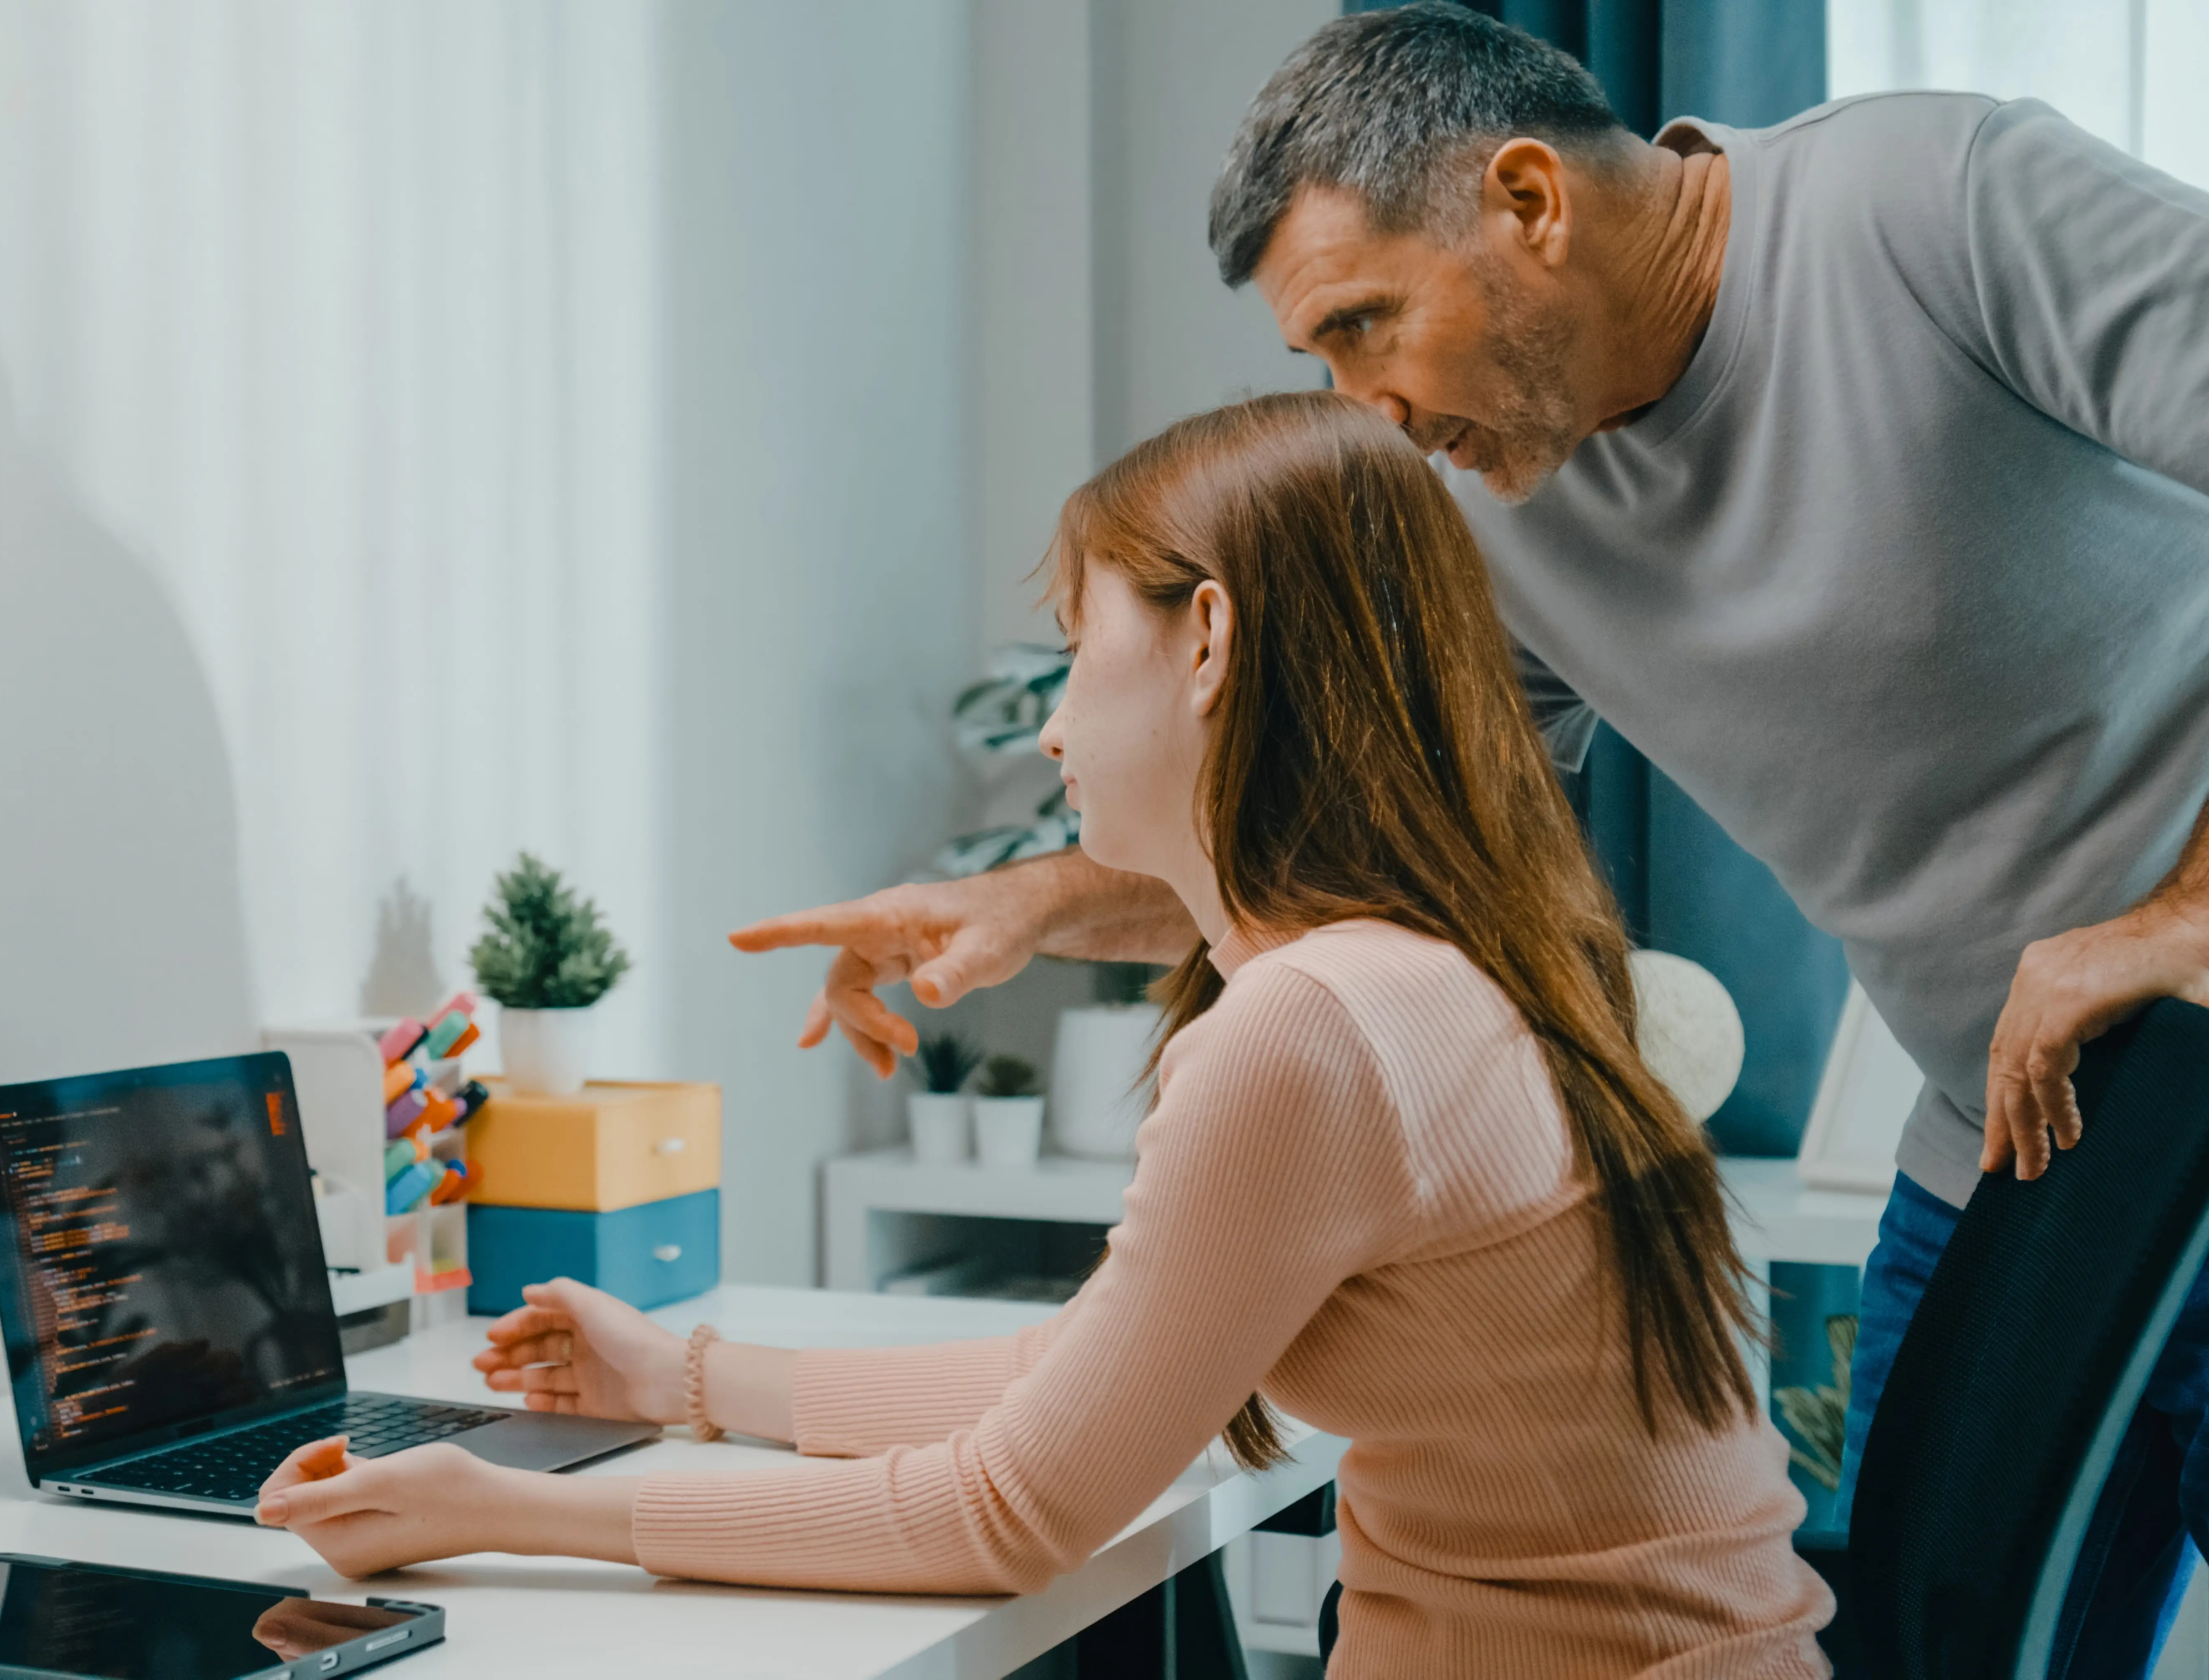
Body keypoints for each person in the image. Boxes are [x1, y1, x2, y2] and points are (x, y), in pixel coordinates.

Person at [737, 9, 2209, 1671]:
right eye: (1326, 360)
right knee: (1943, 1641)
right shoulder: (1509, 513)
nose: (1371, 407)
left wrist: (2180, 915)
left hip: (2188, 1050)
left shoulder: (1936, 205)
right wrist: (1015, 911)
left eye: (1369, 325)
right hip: (2011, 1119)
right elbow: (1349, 843)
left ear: (1529, 198)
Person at [258, 392, 1834, 1678]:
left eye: (1083, 652)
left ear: (1208, 641)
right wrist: (685, 1375)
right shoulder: (1451, 960)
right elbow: (1096, 1375)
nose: (1061, 724)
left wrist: (501, 1515)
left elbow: (1015, 1507)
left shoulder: (1320, 1029)